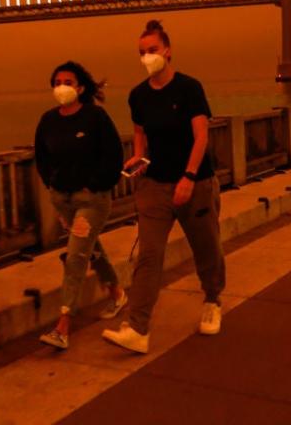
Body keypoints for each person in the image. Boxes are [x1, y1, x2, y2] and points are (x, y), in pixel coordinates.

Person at [102, 20, 225, 354]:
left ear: (167, 51)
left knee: (207, 247)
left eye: (152, 50)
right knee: (149, 255)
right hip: (155, 186)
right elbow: (140, 132)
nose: (147, 57)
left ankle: (212, 300)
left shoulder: (189, 89)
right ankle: (137, 328)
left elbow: (201, 136)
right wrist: (138, 157)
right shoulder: (138, 96)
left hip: (194, 183)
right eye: (142, 52)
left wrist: (188, 176)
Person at [34, 61, 127, 349]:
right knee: (91, 249)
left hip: (92, 200)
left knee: (75, 256)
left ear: (81, 87)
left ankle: (63, 326)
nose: (62, 87)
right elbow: (42, 157)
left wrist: (95, 183)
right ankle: (116, 293)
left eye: (68, 81)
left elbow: (114, 155)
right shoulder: (48, 120)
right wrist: (51, 182)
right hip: (62, 199)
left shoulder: (95, 118)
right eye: (57, 81)